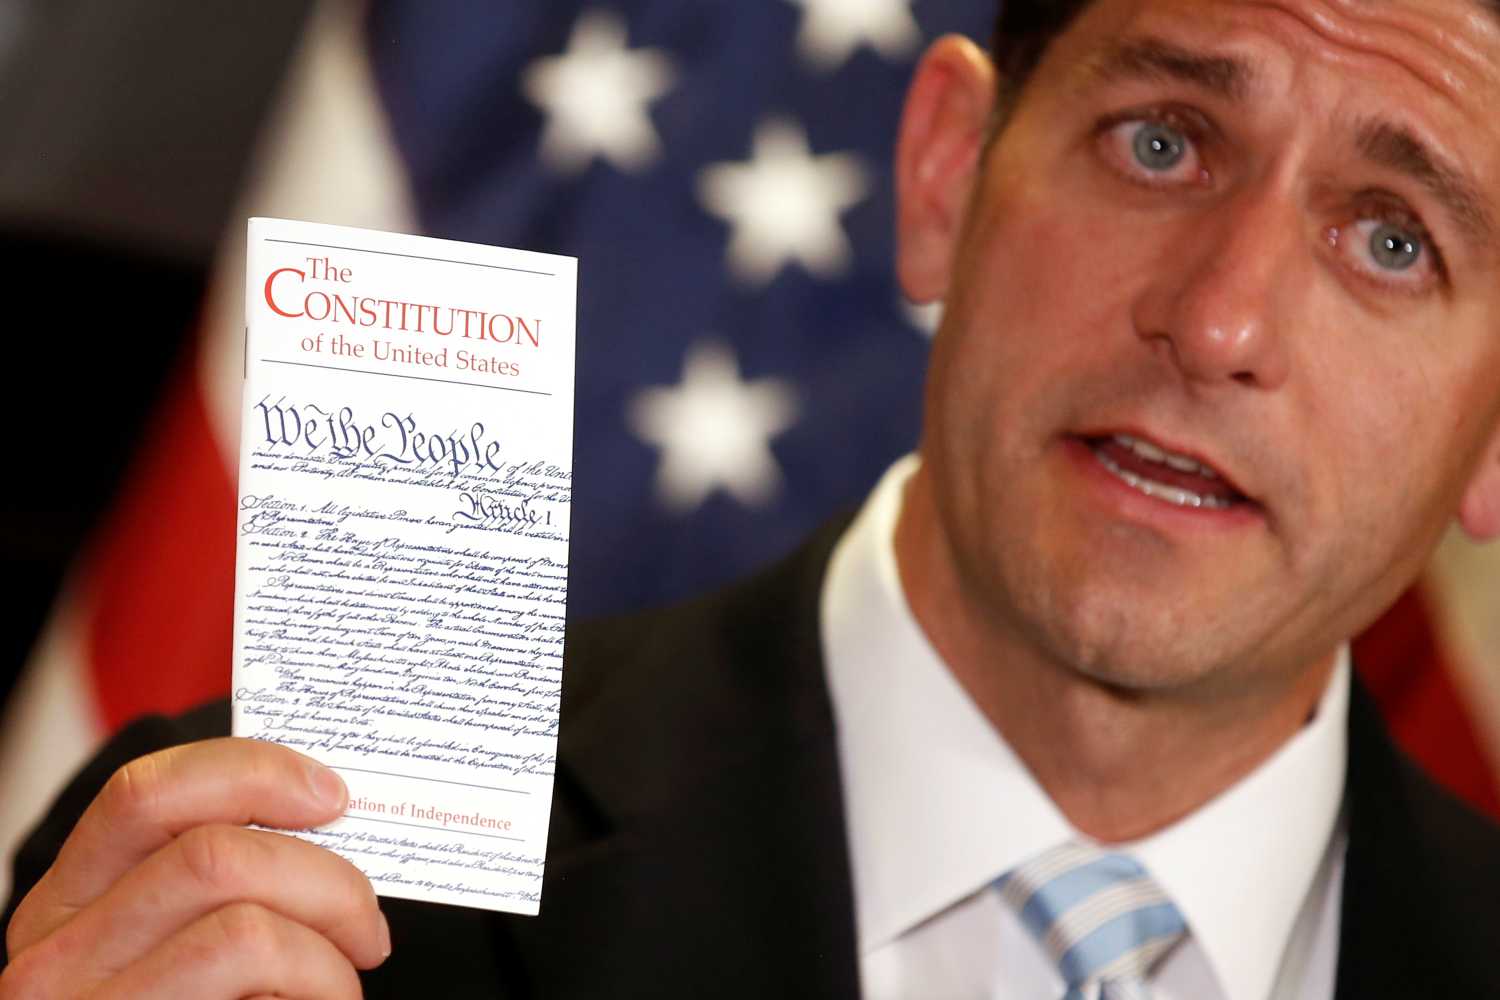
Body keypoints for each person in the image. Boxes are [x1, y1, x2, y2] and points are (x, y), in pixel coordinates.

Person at [5, 0, 1500, 996]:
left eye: (1393, 241)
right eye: (1161, 143)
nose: (1224, 322)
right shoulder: (245, 894)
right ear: (944, 174)